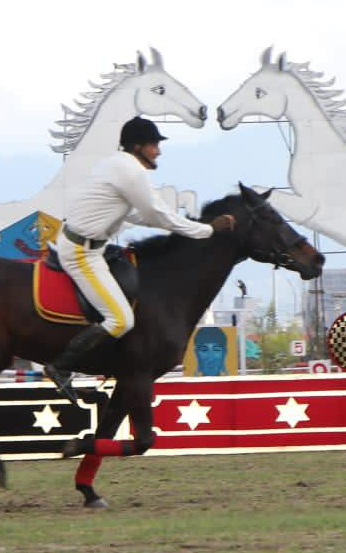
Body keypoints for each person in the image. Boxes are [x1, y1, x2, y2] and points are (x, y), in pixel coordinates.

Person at [44, 115, 236, 403]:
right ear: (137, 146)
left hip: (88, 245)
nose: (158, 151)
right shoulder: (131, 172)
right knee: (120, 320)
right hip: (82, 252)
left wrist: (186, 227)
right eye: (154, 145)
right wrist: (207, 230)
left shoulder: (119, 165)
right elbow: (158, 215)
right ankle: (60, 367)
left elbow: (140, 215)